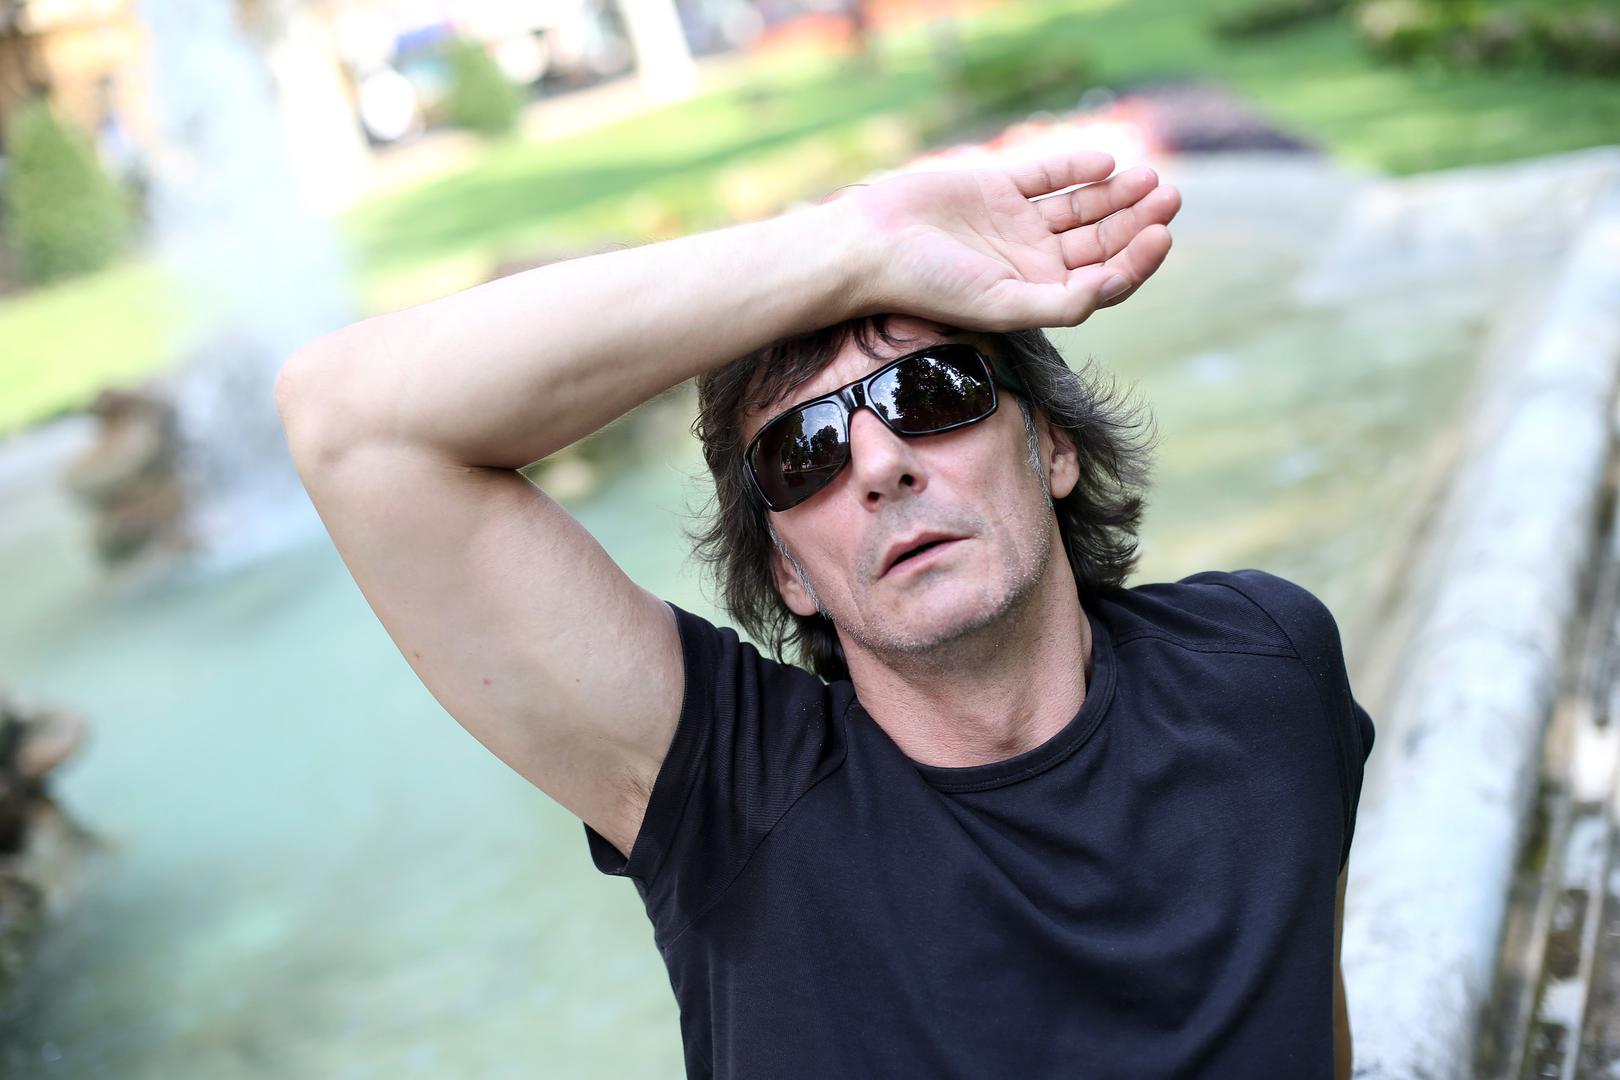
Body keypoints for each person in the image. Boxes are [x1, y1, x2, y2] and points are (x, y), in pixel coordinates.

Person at [274, 149, 1374, 1078]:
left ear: (1051, 446)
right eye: (804, 454)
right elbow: (348, 424)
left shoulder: (1266, 665)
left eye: (931, 393)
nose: (881, 464)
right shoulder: (728, 800)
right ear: (787, 572)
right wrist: (859, 240)